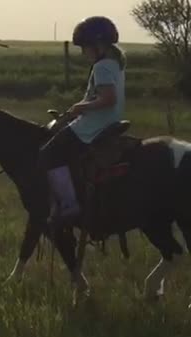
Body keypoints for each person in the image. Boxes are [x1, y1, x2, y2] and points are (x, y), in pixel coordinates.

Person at [40, 16, 127, 222]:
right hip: (107, 120)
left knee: (48, 154)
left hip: (93, 125)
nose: (83, 52)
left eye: (85, 47)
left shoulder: (101, 67)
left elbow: (108, 99)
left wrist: (80, 107)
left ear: (97, 44)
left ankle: (68, 206)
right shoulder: (115, 63)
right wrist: (78, 108)